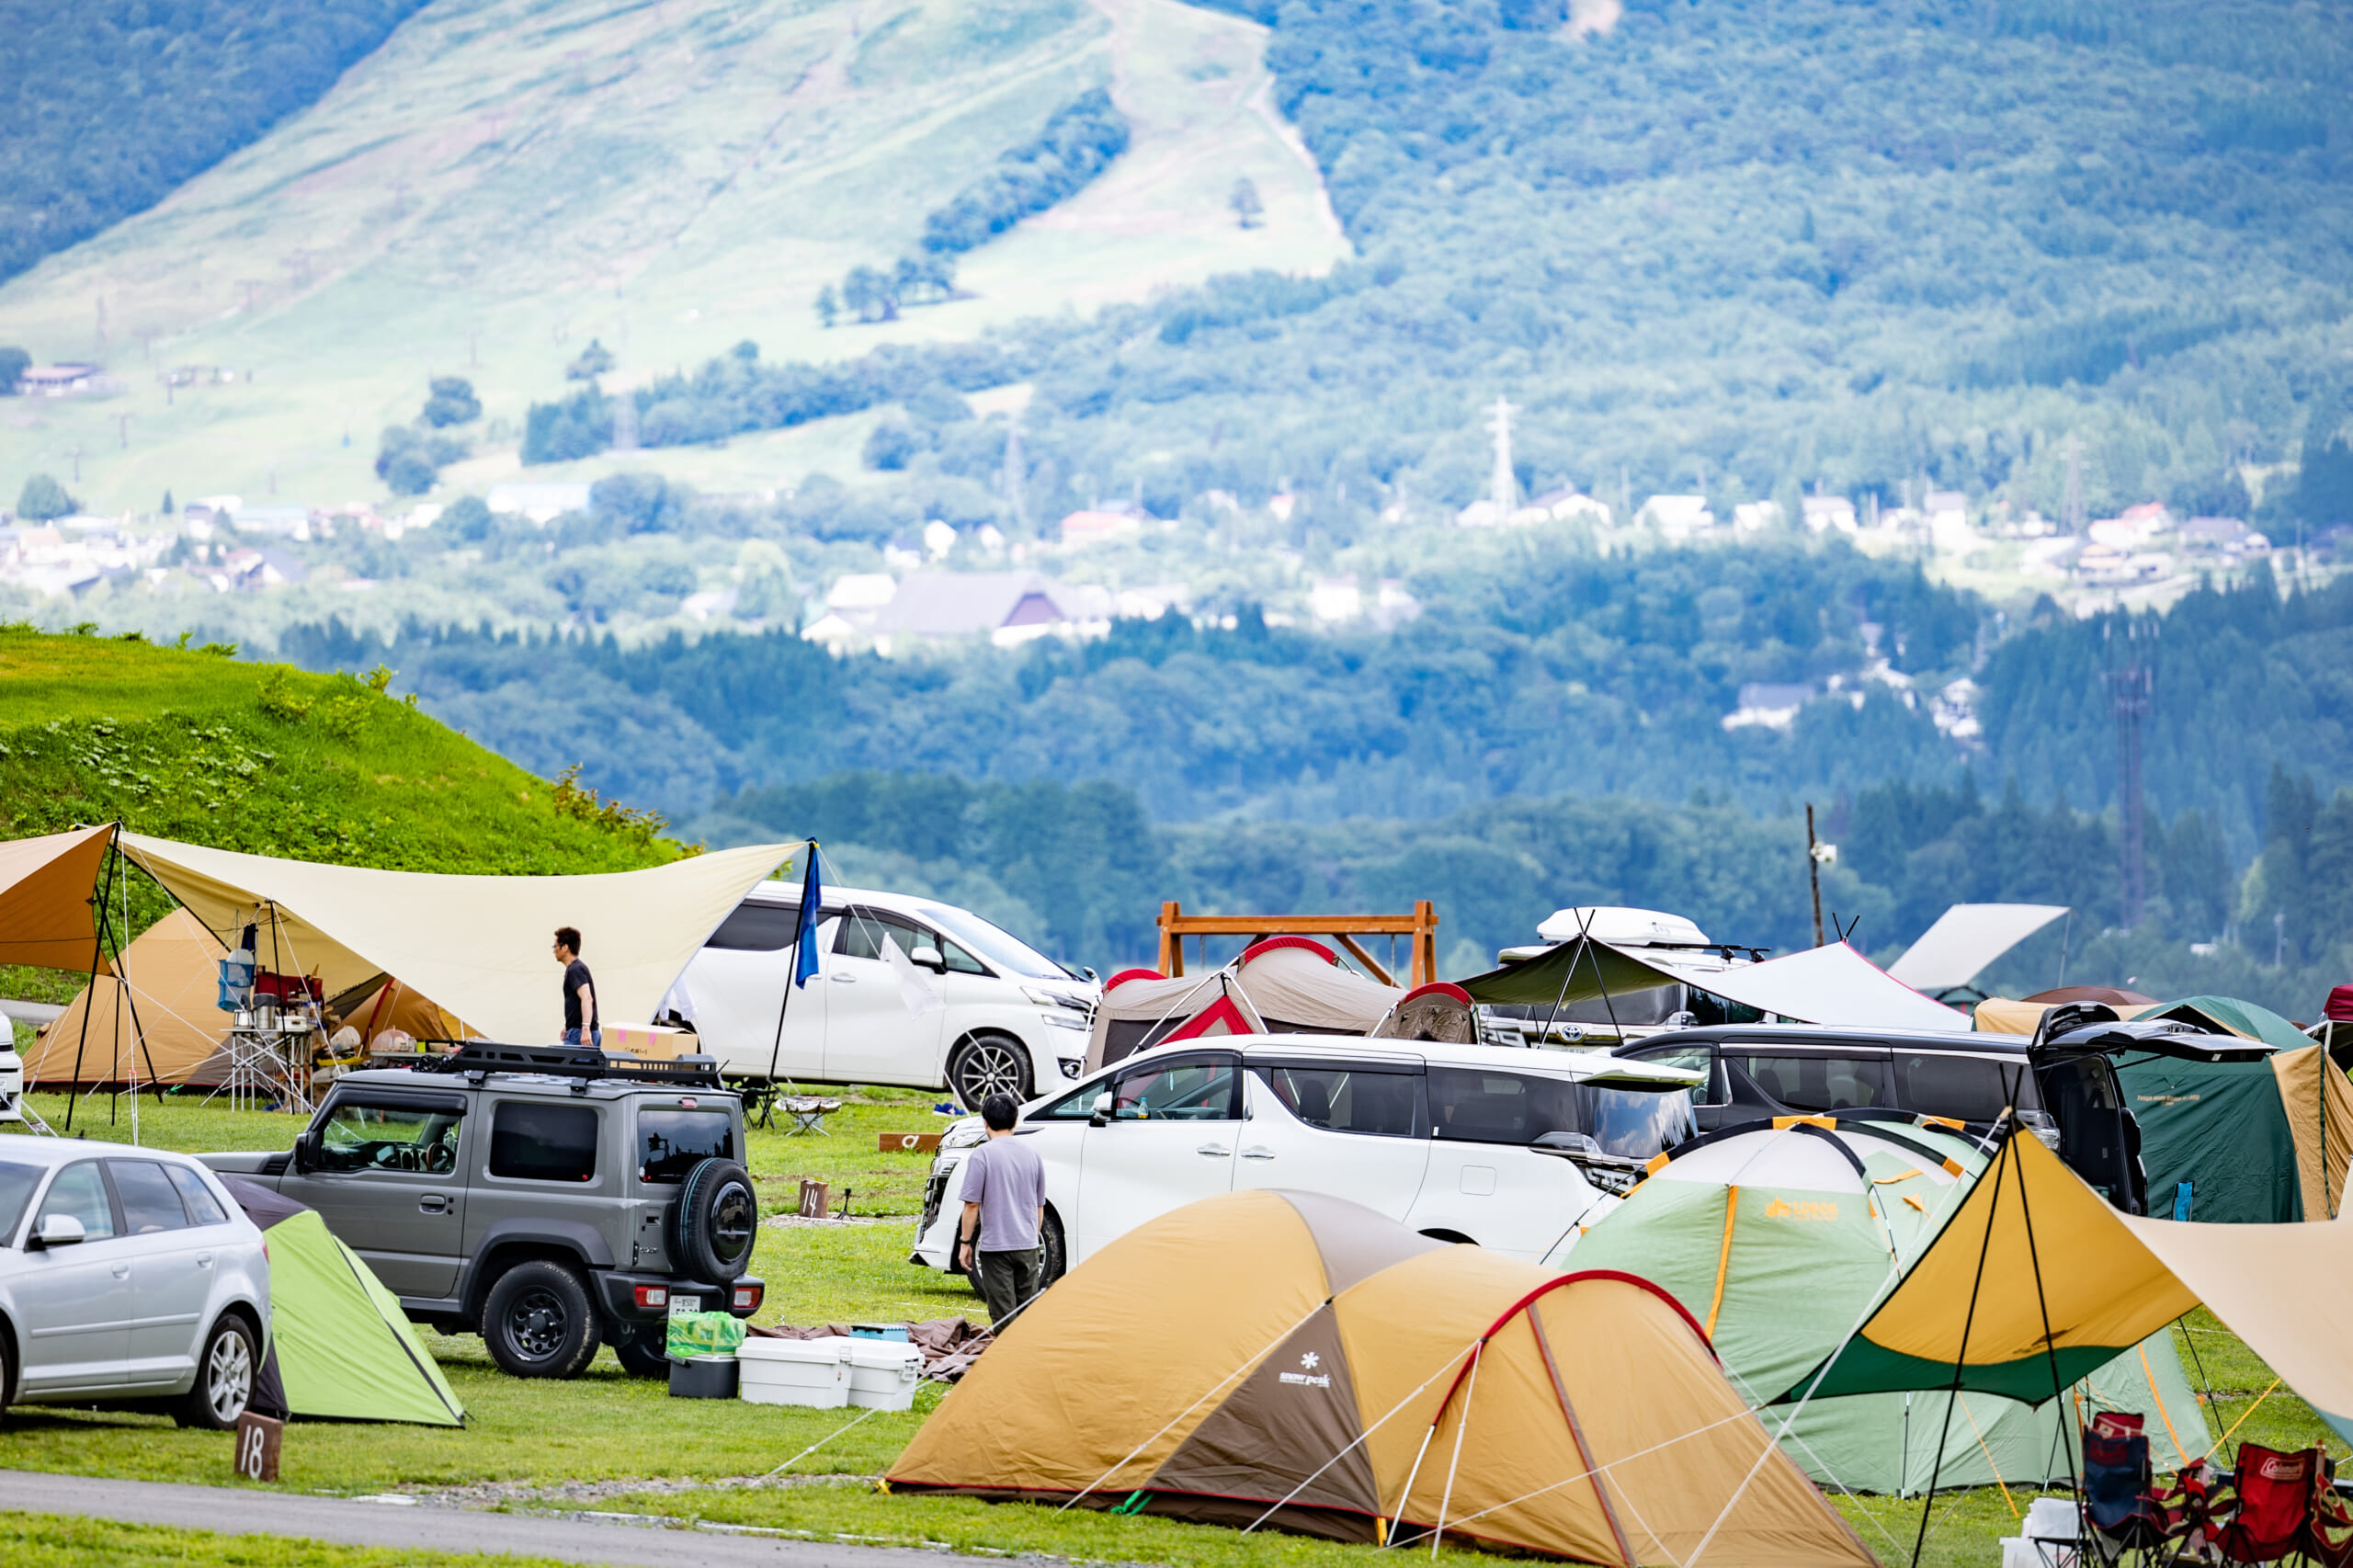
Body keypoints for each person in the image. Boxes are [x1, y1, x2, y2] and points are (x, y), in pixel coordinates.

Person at [957, 1092, 1046, 1327]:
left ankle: (1008, 1360)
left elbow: (972, 1204)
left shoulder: (982, 1155)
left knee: (1004, 1318)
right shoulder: (1032, 1154)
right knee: (1027, 1316)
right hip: (1028, 1245)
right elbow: (1039, 1206)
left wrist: (965, 1243)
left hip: (996, 1248)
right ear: (1015, 1121)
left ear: (985, 1122)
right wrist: (1032, 1236)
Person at [554, 926, 599, 1049]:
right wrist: (568, 1027)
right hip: (577, 1031)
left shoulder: (576, 970)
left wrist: (585, 1028)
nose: (554, 951)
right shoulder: (574, 969)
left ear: (565, 948)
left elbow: (587, 998)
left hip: (579, 1034)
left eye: (555, 946)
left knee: (565, 1067)